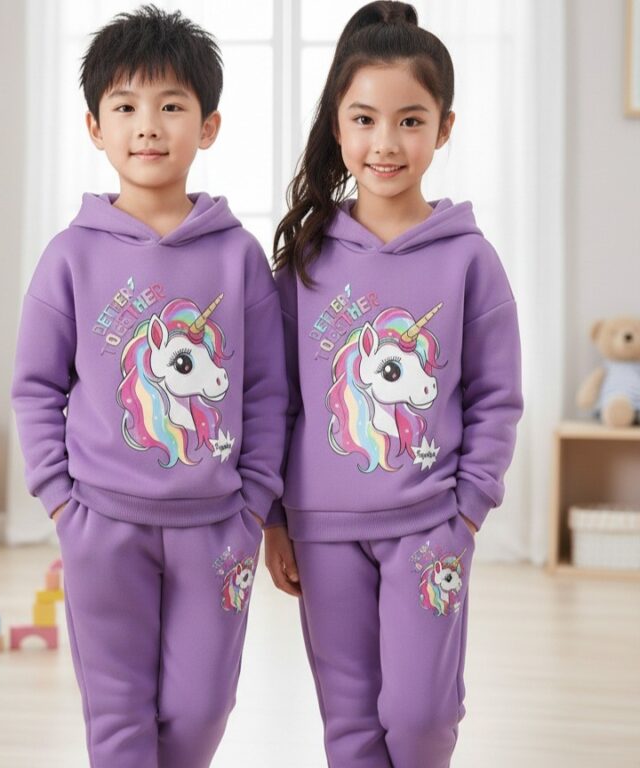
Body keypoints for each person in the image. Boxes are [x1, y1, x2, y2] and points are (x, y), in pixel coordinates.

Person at [10, 7, 287, 767]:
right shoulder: (69, 256)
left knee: (201, 709)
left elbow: (267, 390)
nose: (148, 127)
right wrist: (61, 499)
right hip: (100, 524)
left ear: (209, 126)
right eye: (126, 107)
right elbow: (36, 386)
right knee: (118, 714)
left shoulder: (238, 257)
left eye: (171, 106)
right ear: (95, 128)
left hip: (217, 525)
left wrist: (254, 502)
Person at [264, 2, 524, 766]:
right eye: (365, 120)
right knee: (349, 724)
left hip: (430, 524)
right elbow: (279, 398)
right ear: (338, 127)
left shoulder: (469, 260)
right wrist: (275, 518)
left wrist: (467, 509)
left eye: (410, 121)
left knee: (420, 719)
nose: (385, 143)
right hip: (322, 528)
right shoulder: (305, 262)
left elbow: (496, 397)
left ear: (444, 128)